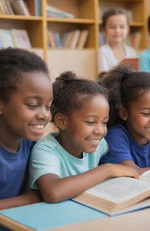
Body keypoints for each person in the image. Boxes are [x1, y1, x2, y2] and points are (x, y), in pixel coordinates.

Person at [29, 71, 138, 203]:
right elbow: (53, 192)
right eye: (91, 122)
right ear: (61, 122)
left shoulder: (99, 145)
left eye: (104, 122)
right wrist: (107, 170)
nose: (100, 131)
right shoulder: (46, 150)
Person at [0, 48, 53, 210]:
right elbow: (41, 194)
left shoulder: (31, 143)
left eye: (48, 106)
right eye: (32, 105)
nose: (44, 115)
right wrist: (35, 197)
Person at [97, 8, 137, 76]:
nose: (117, 31)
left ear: (128, 30)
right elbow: (103, 76)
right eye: (112, 27)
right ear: (104, 31)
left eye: (122, 27)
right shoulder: (103, 51)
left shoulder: (132, 51)